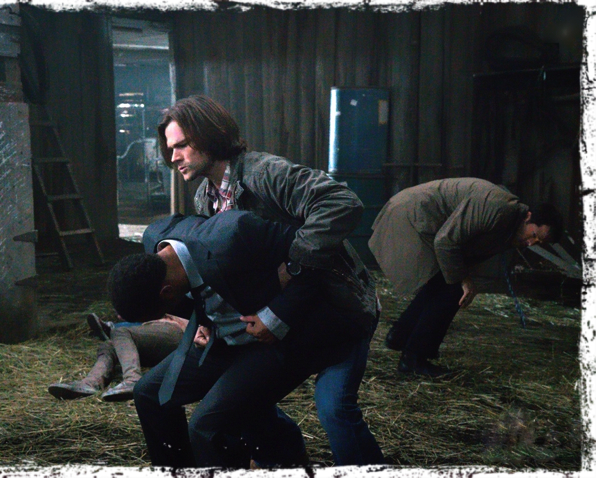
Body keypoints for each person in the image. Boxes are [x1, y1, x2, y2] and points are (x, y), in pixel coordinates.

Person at [155, 94, 384, 466]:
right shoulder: (205, 199)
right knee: (244, 399)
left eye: (181, 145)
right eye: (170, 149)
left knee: (335, 409)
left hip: (337, 305)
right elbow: (222, 268)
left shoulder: (264, 173)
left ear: (209, 136)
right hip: (287, 314)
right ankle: (288, 460)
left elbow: (341, 202)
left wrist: (293, 263)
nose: (173, 157)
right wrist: (206, 320)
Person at [128, 210, 376, 468]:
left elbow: (315, 256)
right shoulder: (154, 239)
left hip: (275, 340)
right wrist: (201, 319)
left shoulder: (235, 233)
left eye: (164, 311)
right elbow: (186, 298)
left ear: (167, 292)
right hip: (221, 338)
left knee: (207, 426)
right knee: (148, 393)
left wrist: (276, 316)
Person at [368, 177, 563, 377]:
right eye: (534, 235)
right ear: (528, 216)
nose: (531, 243)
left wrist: (463, 277)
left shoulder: (512, 225)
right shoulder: (499, 209)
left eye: (539, 242)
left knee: (444, 282)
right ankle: (413, 359)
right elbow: (446, 242)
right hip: (413, 213)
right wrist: (464, 279)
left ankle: (400, 336)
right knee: (453, 290)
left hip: (425, 219)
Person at [48, 313, 187, 401]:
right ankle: (91, 383)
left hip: (176, 331)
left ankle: (133, 379)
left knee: (120, 332)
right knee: (108, 345)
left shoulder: (173, 295)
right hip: (154, 342)